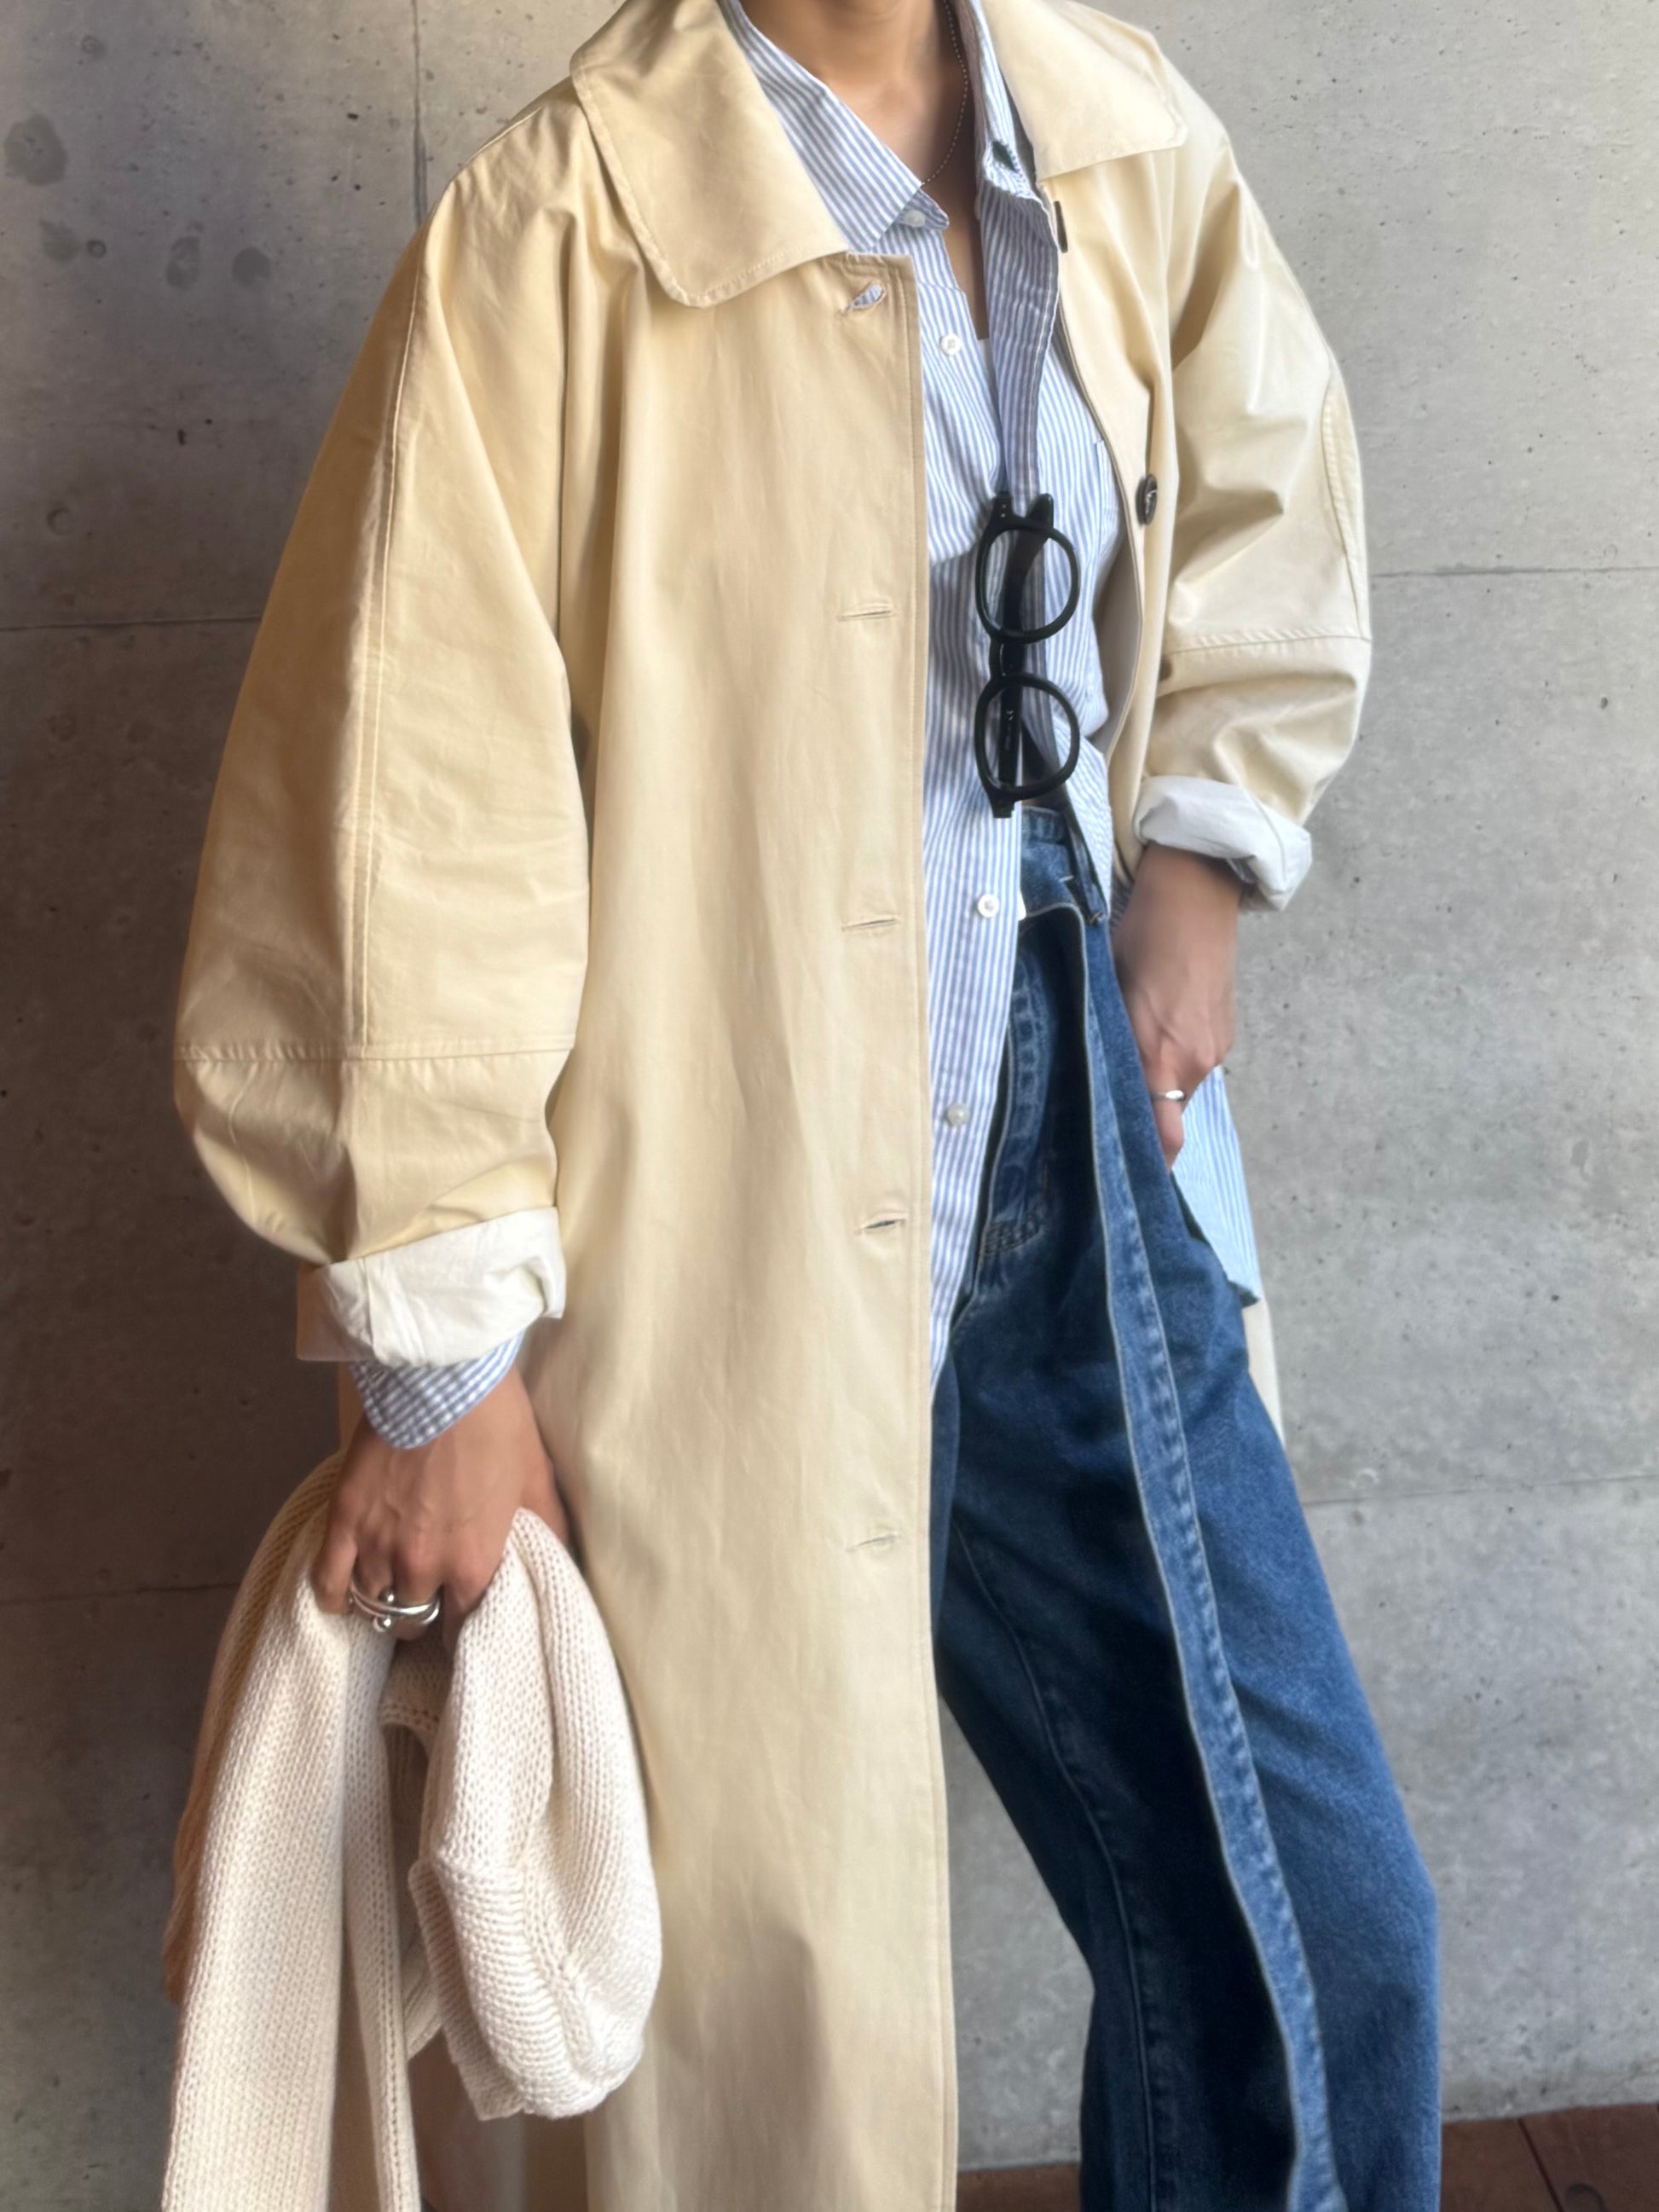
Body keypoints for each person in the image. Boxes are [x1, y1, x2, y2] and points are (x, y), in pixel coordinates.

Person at [171, 0, 1440, 2203]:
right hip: (721, 1202)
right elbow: (407, 812)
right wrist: (440, 1362)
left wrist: (1198, 860)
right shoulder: (559, 228)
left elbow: (1263, 485)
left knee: (1313, 1952)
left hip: (1073, 1155)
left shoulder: (1116, 129)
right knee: (764, 2044)